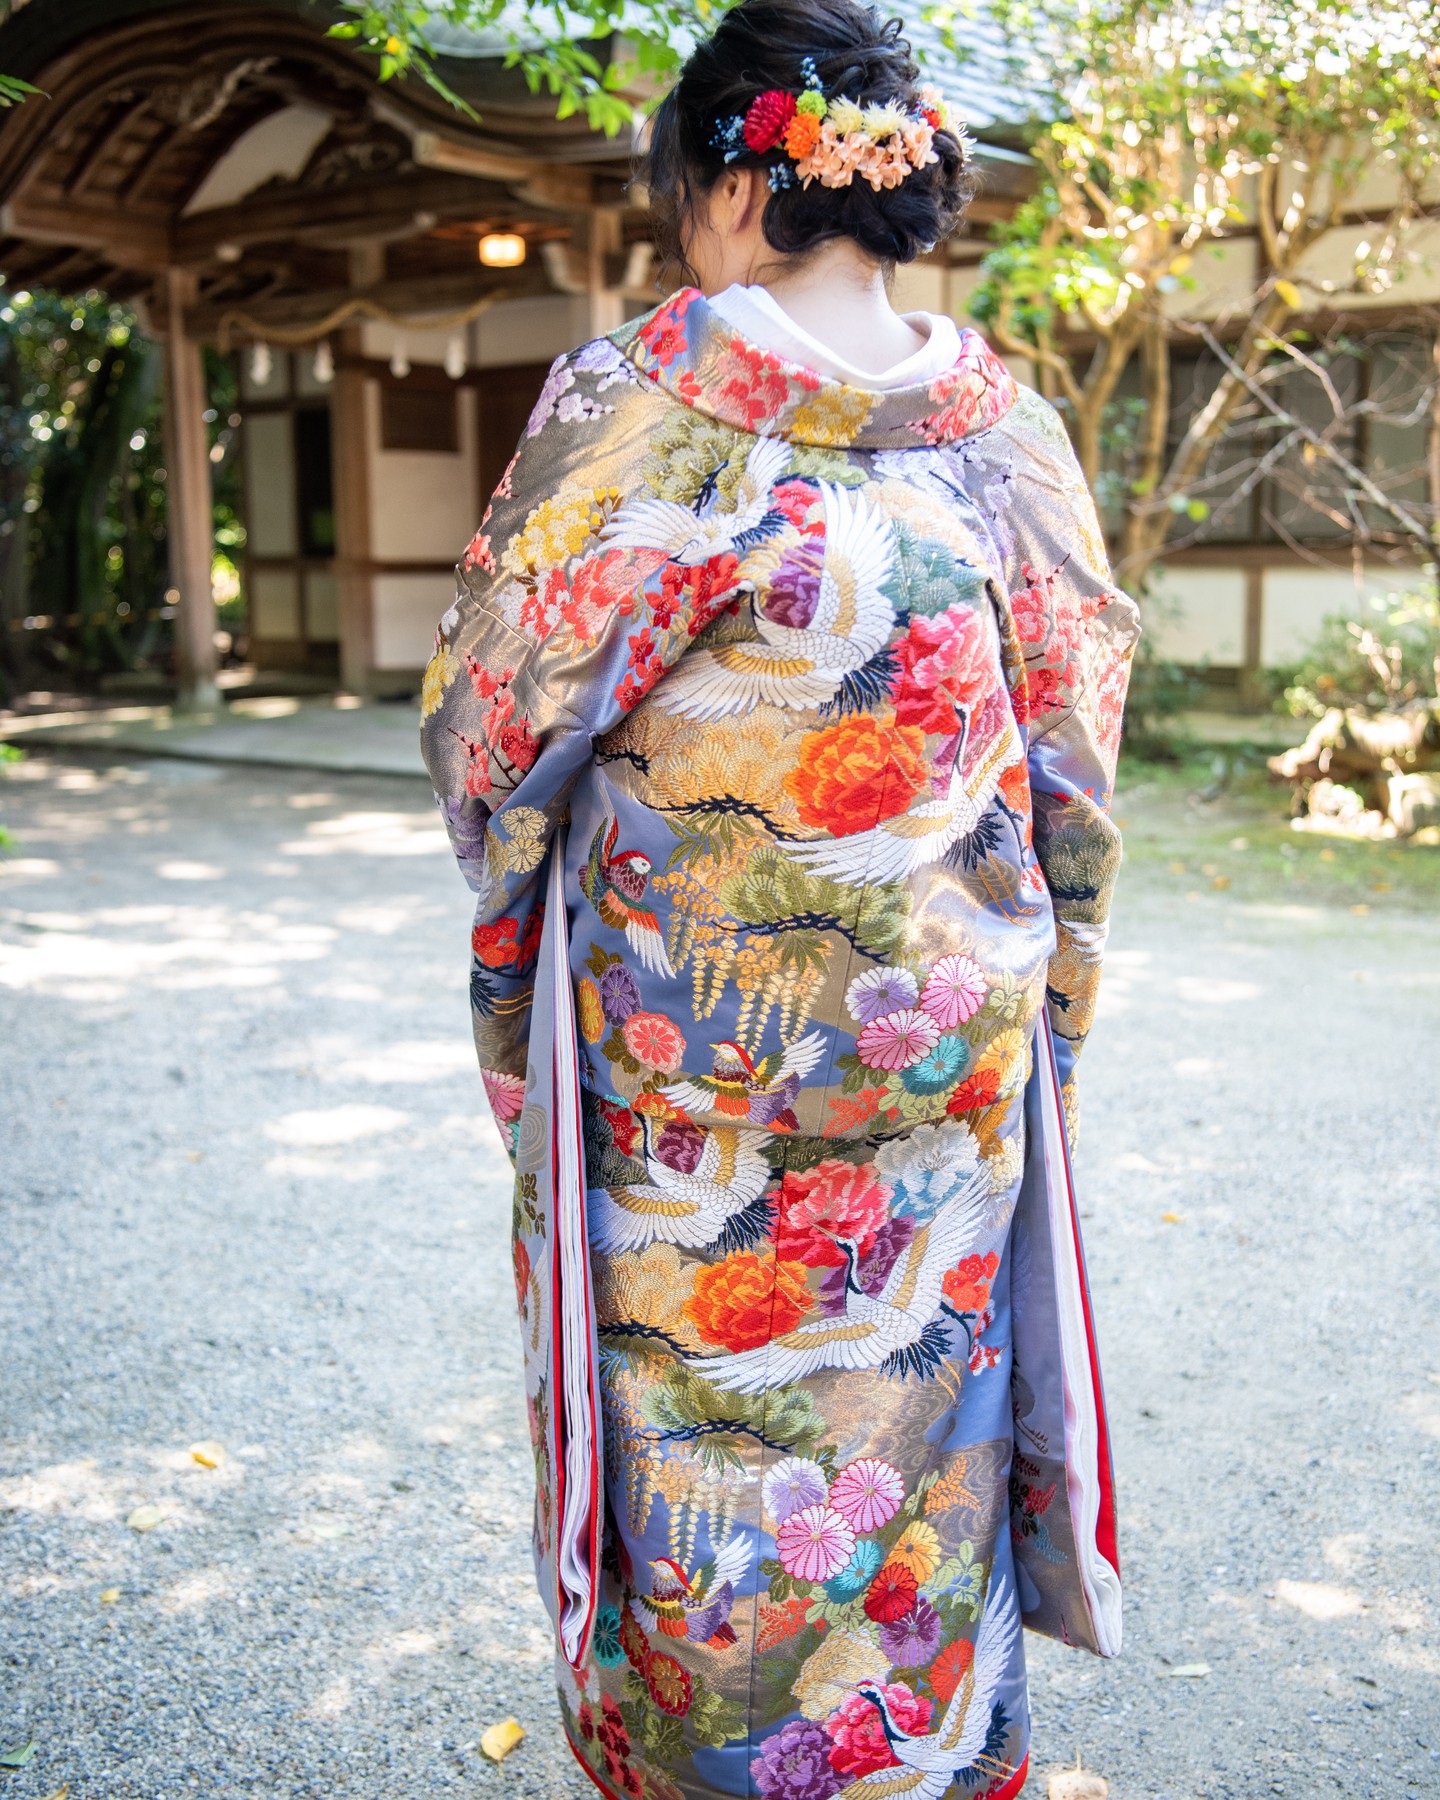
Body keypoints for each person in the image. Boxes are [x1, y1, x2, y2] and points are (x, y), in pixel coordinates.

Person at [420, 2, 1139, 1795]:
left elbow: (493, 723)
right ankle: (917, 1755)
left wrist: (539, 951)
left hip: (700, 1075)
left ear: (738, 188)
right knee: (918, 1435)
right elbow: (1074, 775)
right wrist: (1043, 1001)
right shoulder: (1009, 436)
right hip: (940, 1075)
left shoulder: (645, 407)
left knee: (708, 1450)